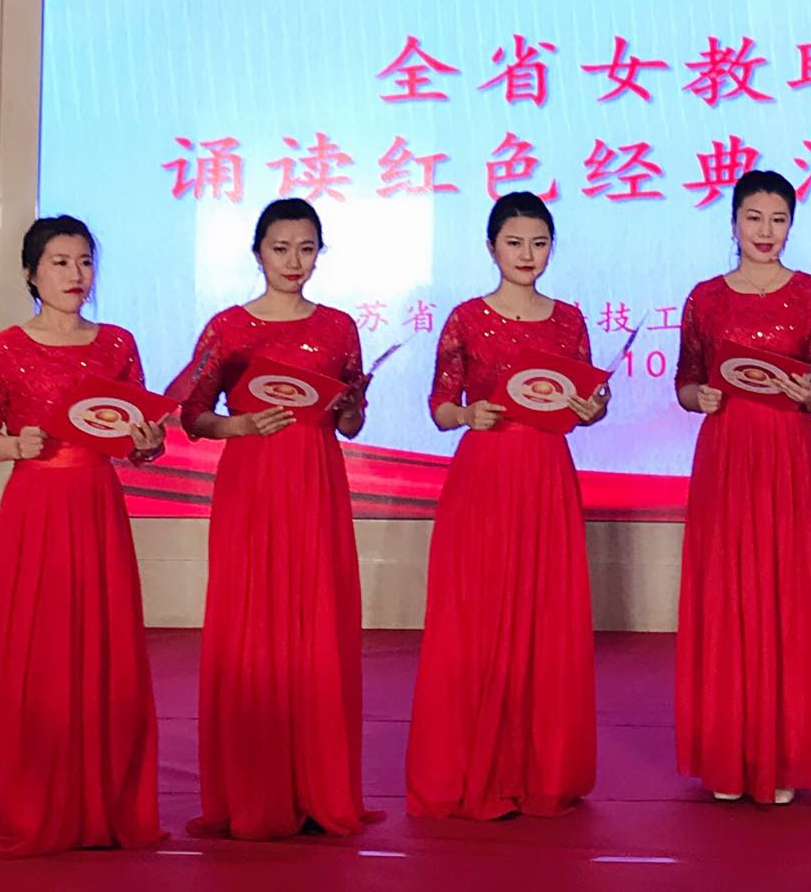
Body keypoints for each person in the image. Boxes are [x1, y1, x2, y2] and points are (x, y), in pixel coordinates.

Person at [0, 216, 166, 858]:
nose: (76, 275)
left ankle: (102, 800)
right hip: (35, 507)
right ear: (31, 272)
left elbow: (135, 438)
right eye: (60, 262)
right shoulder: (4, 349)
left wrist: (148, 441)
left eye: (85, 262)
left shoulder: (118, 343)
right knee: (36, 649)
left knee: (102, 645)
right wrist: (13, 445)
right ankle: (33, 802)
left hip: (97, 504)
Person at [180, 199, 380, 840]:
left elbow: (350, 424)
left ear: (320, 253)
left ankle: (318, 786)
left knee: (317, 619)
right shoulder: (228, 328)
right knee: (253, 622)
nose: (295, 261)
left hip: (316, 481)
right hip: (252, 482)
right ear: (257, 252)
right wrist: (237, 425)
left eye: (307, 248)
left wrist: (351, 406)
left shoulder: (340, 327)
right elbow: (192, 413)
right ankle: (255, 789)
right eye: (281, 248)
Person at [406, 191, 608, 819]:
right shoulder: (467, 319)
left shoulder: (568, 320)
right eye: (515, 242)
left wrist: (592, 408)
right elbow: (440, 407)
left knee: (547, 614)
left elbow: (585, 403)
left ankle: (543, 768)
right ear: (491, 247)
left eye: (539, 243)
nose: (527, 254)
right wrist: (468, 413)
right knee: (479, 615)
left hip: (547, 474)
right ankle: (474, 765)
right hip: (485, 475)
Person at [674, 170, 811, 805]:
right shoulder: (705, 299)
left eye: (778, 219)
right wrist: (700, 396)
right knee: (728, 586)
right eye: (754, 217)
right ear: (733, 222)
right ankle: (729, 752)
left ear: (791, 225)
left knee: (787, 589)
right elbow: (686, 383)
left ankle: (783, 754)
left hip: (788, 451)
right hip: (727, 451)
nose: (765, 231)